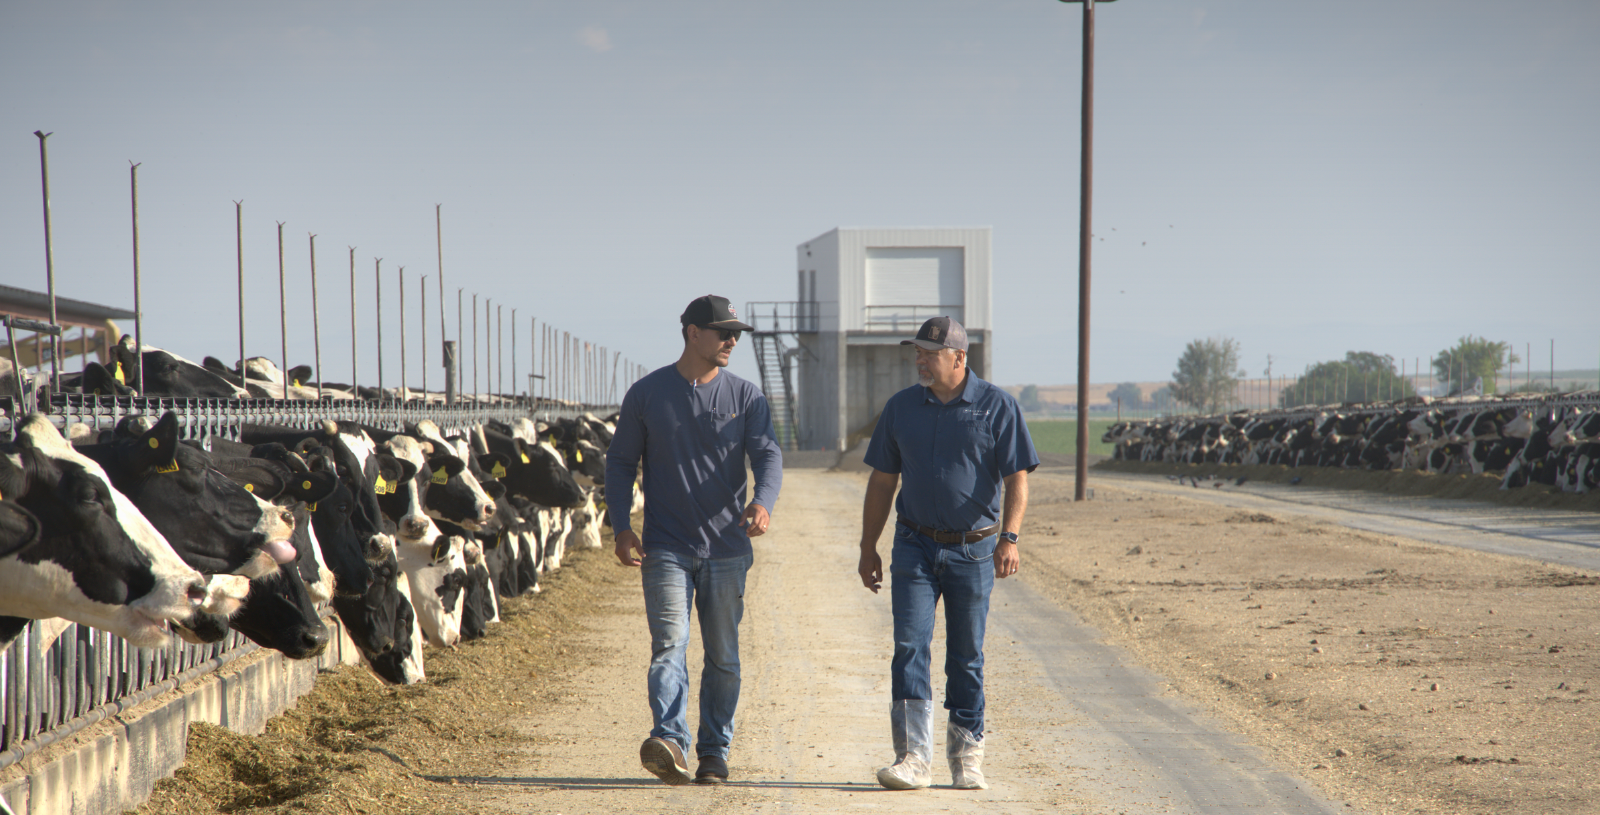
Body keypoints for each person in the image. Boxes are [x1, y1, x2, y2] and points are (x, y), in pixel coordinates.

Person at [606, 294, 784, 786]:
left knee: (723, 655)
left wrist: (763, 501)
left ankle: (714, 752)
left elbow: (768, 457)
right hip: (664, 546)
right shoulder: (647, 394)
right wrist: (621, 526)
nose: (732, 341)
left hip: (728, 549)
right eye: (723, 332)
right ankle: (670, 740)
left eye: (737, 334)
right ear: (691, 333)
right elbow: (620, 464)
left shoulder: (746, 397)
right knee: (669, 645)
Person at [856, 315, 1038, 791]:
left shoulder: (998, 407)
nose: (919, 360)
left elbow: (1017, 477)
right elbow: (882, 480)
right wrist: (867, 546)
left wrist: (1010, 538)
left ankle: (966, 755)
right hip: (913, 545)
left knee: (966, 656)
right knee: (909, 647)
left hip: (974, 551)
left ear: (959, 358)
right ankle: (913, 757)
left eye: (928, 353)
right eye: (916, 353)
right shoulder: (900, 408)